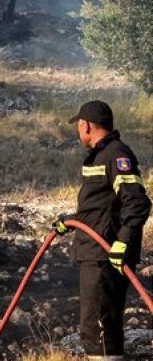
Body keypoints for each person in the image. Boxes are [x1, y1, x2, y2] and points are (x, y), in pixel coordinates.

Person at [53, 100, 151, 360]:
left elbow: (137, 202)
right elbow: (102, 204)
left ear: (85, 125)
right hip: (95, 251)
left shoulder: (116, 155)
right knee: (100, 324)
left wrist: (123, 242)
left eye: (78, 126)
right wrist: (71, 220)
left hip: (104, 255)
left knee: (98, 326)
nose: (78, 131)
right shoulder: (101, 154)